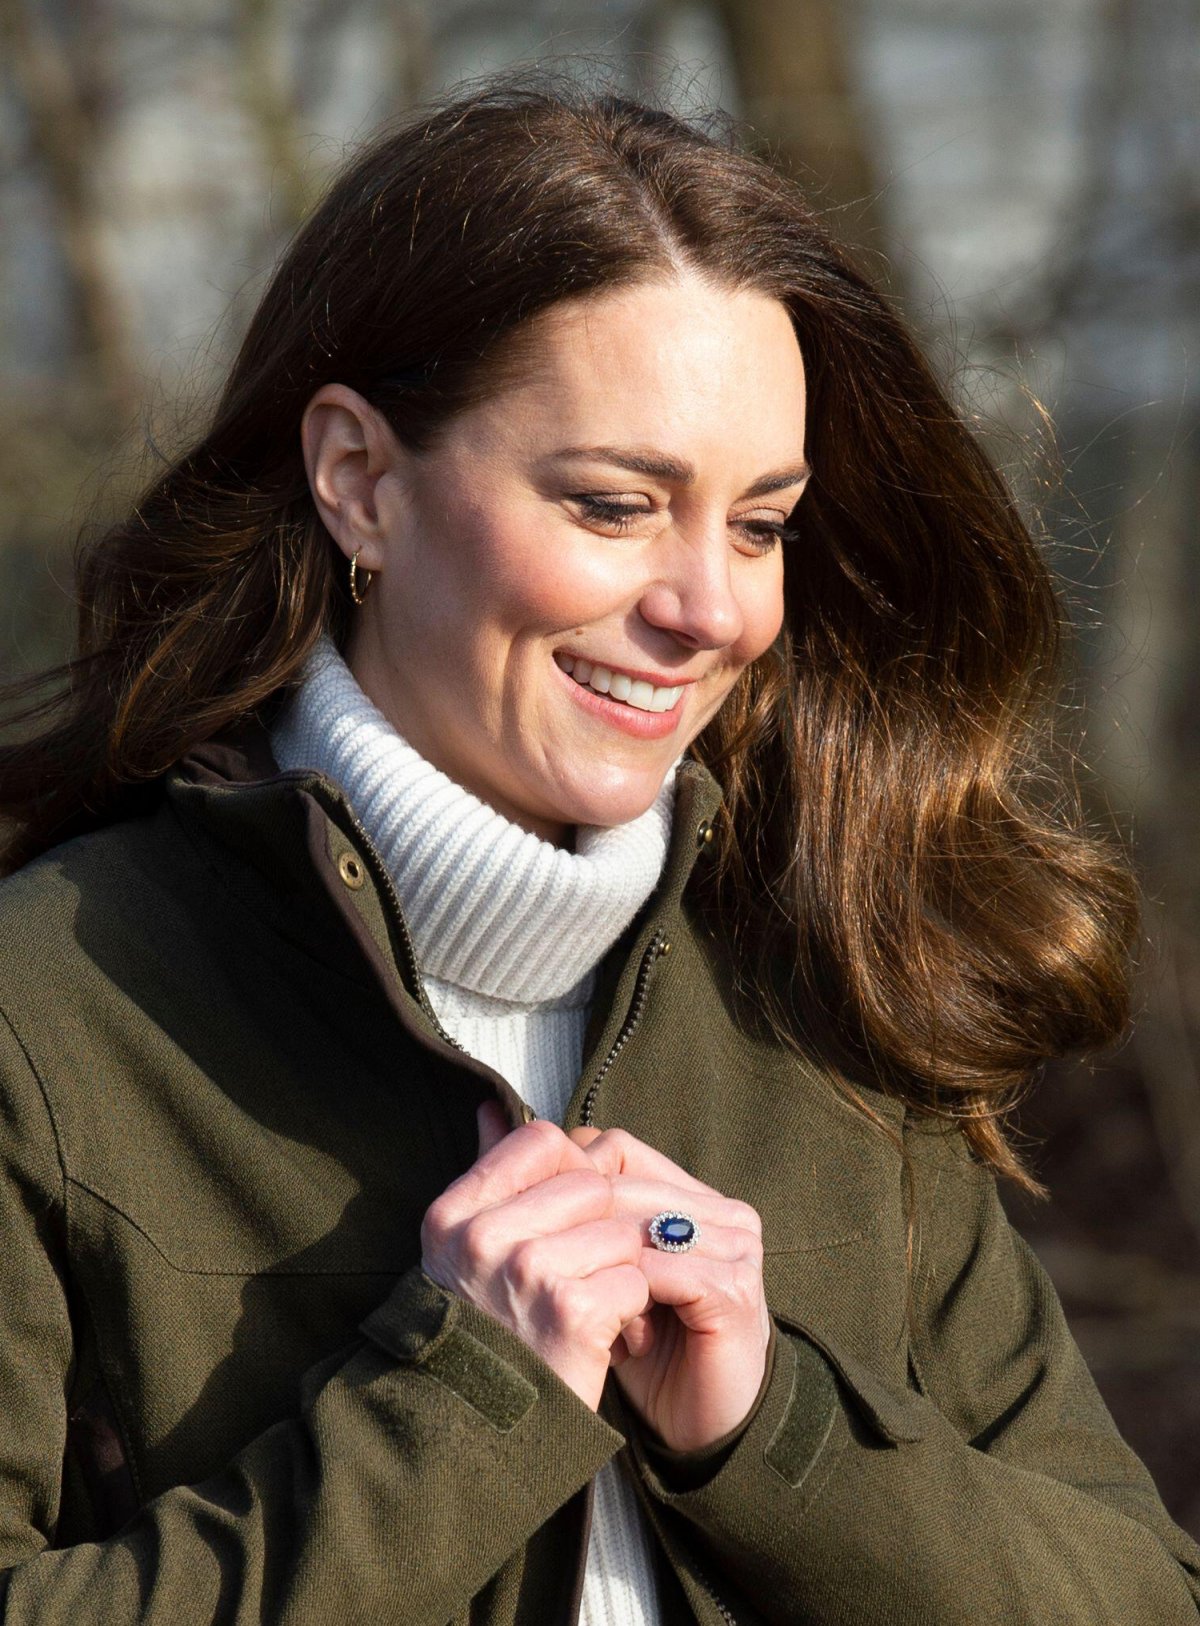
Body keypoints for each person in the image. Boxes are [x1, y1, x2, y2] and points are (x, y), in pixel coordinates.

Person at [0, 70, 1196, 1626]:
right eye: (618, 504)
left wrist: (777, 1440)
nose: (712, 608)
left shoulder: (824, 996)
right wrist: (459, 1416)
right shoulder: (44, 1022)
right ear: (360, 477)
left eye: (761, 523)